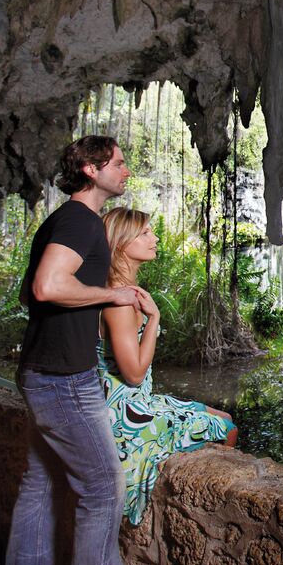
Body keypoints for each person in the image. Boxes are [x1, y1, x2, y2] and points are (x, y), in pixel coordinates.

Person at [0, 136, 154, 565]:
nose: (126, 171)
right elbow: (47, 287)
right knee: (104, 488)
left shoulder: (57, 221)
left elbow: (30, 296)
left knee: (41, 484)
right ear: (91, 169)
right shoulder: (82, 221)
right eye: (120, 163)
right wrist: (111, 297)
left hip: (39, 371)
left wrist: (91, 295)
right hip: (65, 378)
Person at [99, 207, 237, 526]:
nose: (155, 237)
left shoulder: (121, 291)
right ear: (121, 244)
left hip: (139, 404)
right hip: (125, 420)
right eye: (145, 233)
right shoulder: (119, 303)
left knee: (224, 416)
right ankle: (213, 520)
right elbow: (133, 374)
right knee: (227, 428)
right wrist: (154, 320)